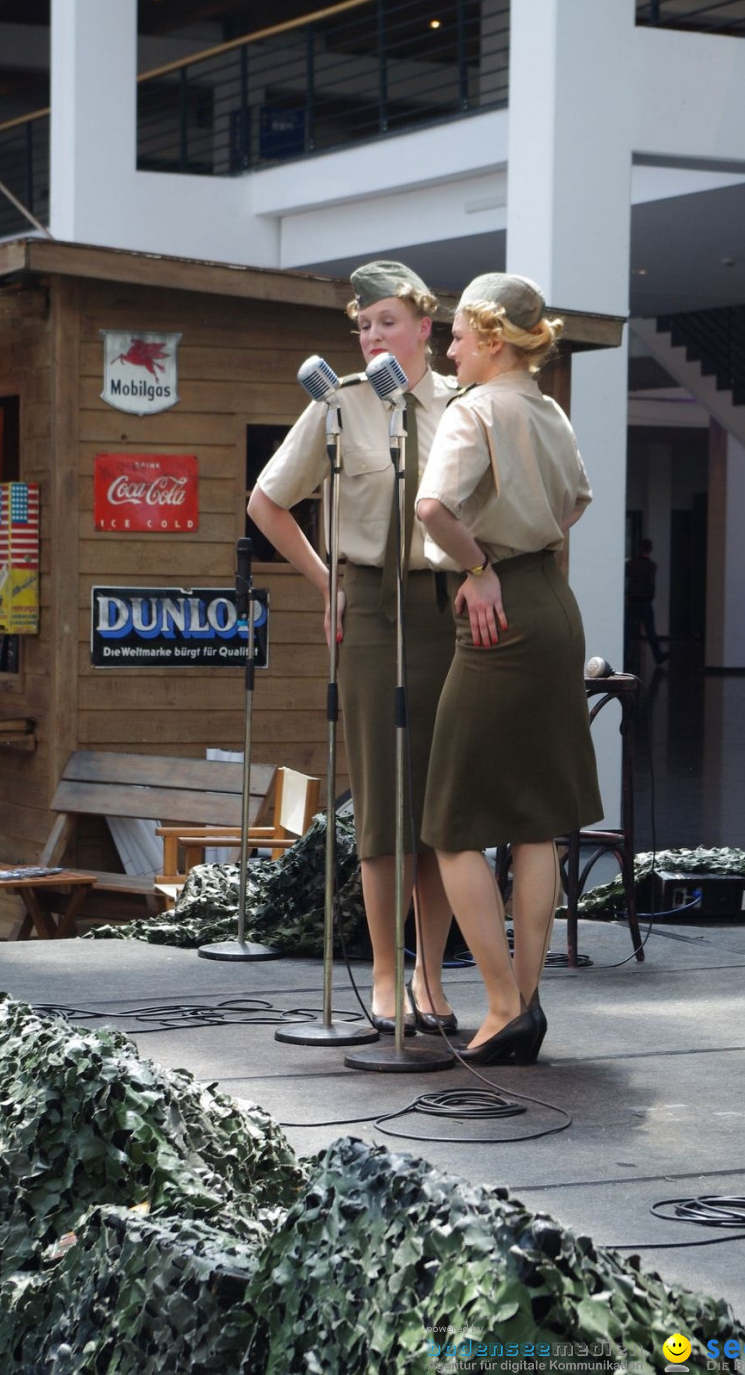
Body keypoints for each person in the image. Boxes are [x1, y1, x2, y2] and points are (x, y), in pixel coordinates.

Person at [247, 260, 459, 1035]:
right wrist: (323, 583)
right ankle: (381, 974)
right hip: (370, 607)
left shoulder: (461, 406)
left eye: (387, 321)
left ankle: (432, 979)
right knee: (383, 808)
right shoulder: (337, 404)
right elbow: (266, 503)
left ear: (425, 326)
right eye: (363, 324)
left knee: (444, 811)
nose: (372, 334)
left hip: (447, 609)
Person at [415, 272, 603, 1065]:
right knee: (534, 824)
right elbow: (578, 503)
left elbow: (431, 508)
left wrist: (480, 566)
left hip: (499, 617)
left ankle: (498, 1006)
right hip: (555, 608)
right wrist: (522, 551)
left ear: (493, 338)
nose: (448, 346)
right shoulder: (549, 409)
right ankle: (525, 1006)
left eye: (458, 332)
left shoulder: (477, 409)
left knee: (453, 825)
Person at [625, 538, 668, 666]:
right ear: (650, 550)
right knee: (651, 631)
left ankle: (624, 657)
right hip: (645, 602)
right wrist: (650, 598)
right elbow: (651, 585)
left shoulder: (631, 564)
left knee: (627, 632)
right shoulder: (651, 566)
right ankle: (658, 656)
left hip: (632, 601)